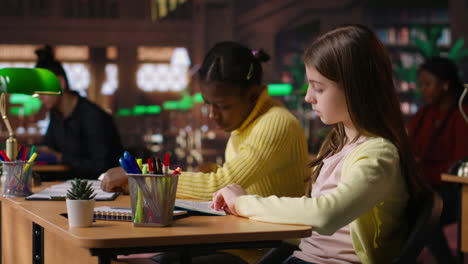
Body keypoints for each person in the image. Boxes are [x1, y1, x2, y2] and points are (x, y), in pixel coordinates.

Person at [212, 24, 426, 264]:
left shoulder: (379, 154)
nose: (308, 97)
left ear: (355, 88)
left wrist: (243, 202)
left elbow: (325, 214)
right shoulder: (338, 144)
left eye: (319, 88)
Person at [101, 41, 310, 263]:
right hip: (240, 237)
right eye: (208, 104)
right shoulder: (246, 124)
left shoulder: (276, 123)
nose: (212, 114)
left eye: (223, 106)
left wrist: (143, 177)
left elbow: (219, 184)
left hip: (269, 248)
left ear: (253, 94)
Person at [407, 57, 468, 264]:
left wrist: (421, 171)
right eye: (421, 84)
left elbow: (458, 165)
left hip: (451, 191)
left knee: (420, 211)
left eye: (427, 84)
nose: (422, 90)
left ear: (445, 85)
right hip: (425, 187)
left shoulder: (462, 116)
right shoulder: (423, 115)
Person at [35, 45, 123, 180]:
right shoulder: (55, 114)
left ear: (60, 83)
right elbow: (48, 148)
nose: (39, 96)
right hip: (68, 186)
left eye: (41, 90)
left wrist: (61, 158)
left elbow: (102, 167)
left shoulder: (93, 116)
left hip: (100, 191)